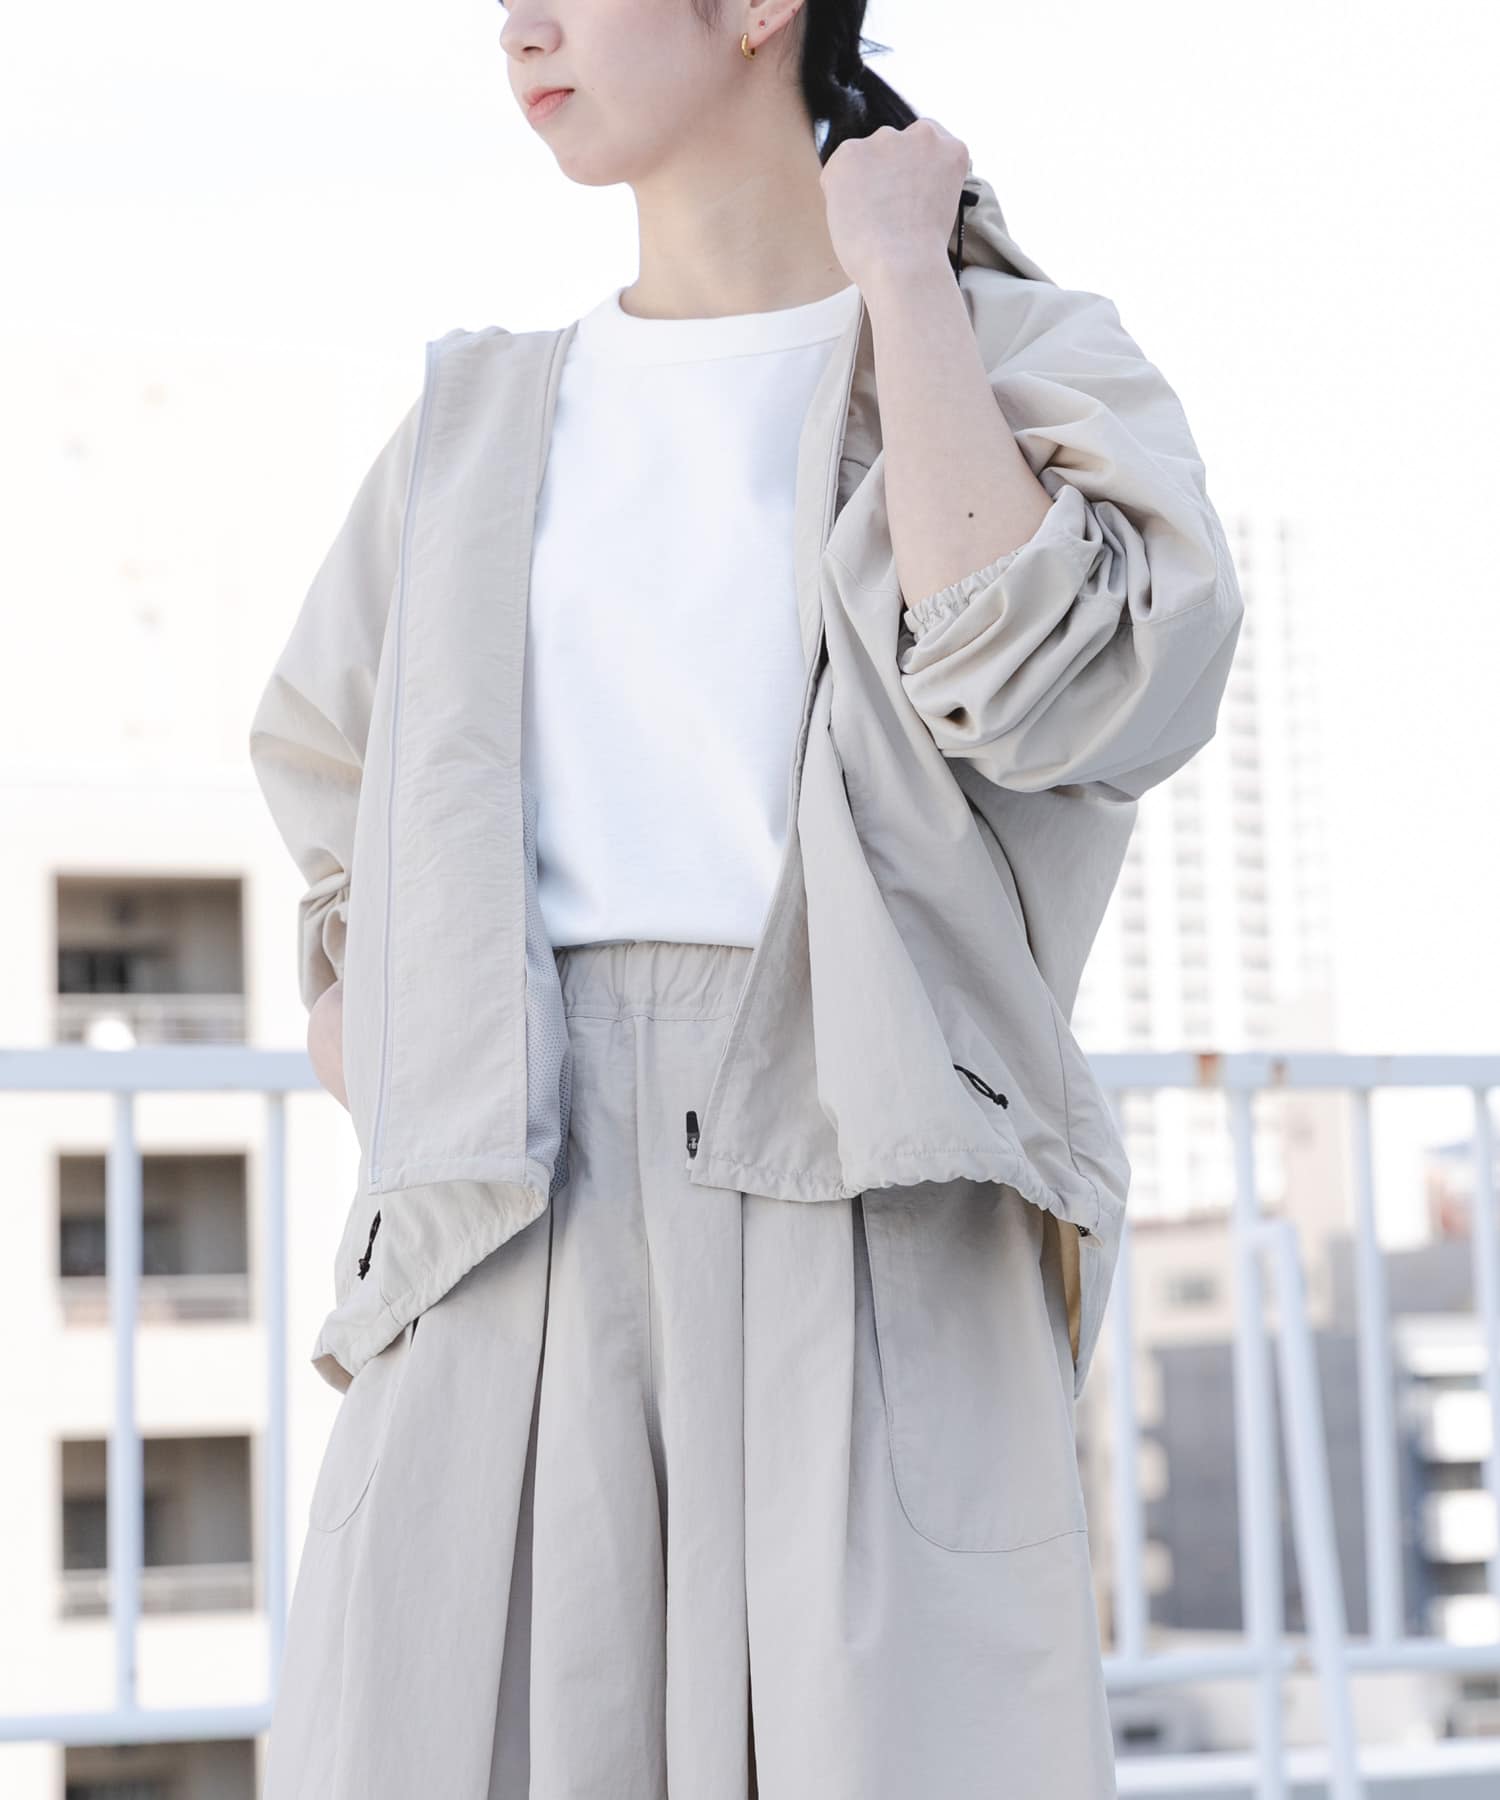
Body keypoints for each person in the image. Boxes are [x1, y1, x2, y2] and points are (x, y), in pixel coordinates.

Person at [253, 3, 1244, 1795]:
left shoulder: (1009, 348)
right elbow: (340, 807)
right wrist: (387, 1049)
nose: (519, 26)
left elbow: (1065, 696)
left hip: (864, 1183)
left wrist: (906, 282)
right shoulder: (476, 424)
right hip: (503, 1218)